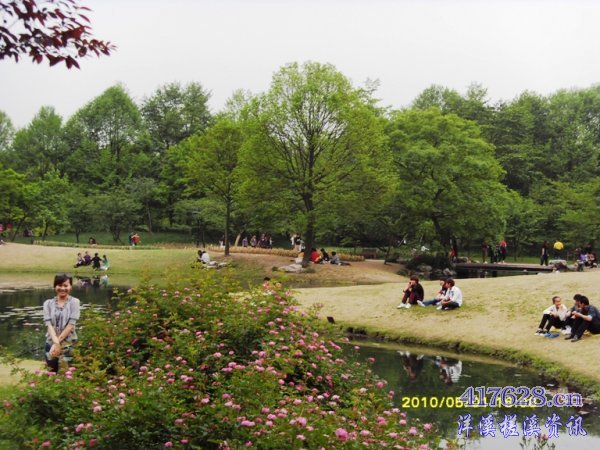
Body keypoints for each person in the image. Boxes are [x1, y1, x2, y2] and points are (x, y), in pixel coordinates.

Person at [43, 273, 81, 373]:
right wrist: (55, 343)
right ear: (55, 286)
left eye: (65, 285)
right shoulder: (47, 303)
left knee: (68, 374)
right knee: (51, 373)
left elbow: (70, 325)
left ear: (70, 286)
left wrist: (57, 344)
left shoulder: (75, 302)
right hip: (50, 344)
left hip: (69, 344)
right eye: (59, 285)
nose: (62, 288)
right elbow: (48, 324)